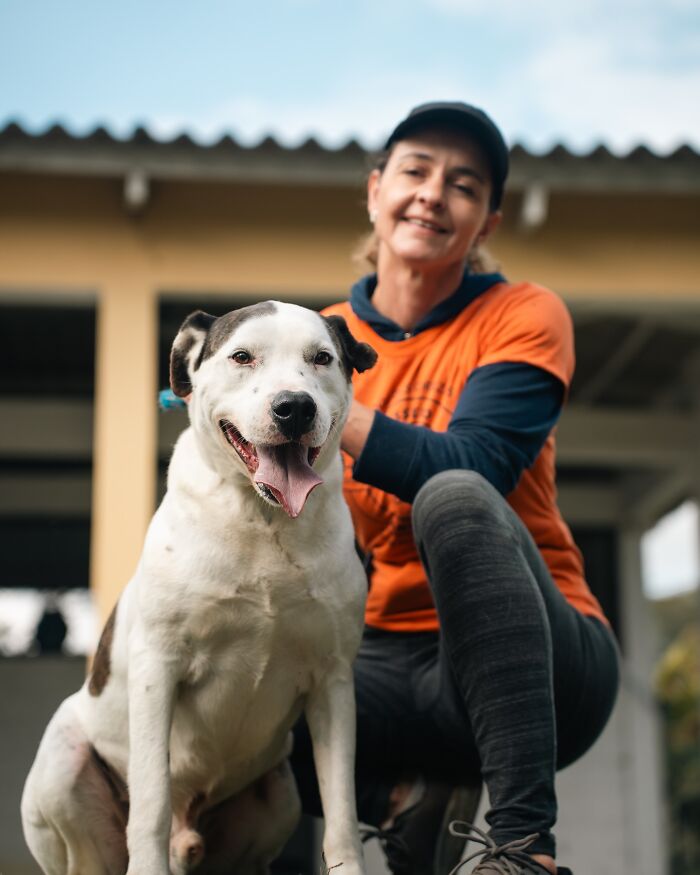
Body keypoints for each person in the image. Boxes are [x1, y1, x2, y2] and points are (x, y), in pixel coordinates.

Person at [291, 102, 619, 875]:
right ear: (376, 192)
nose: (434, 194)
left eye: (463, 184)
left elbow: (476, 460)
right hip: (384, 666)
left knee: (457, 495)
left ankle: (520, 843)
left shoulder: (523, 313)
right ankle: (406, 806)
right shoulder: (318, 337)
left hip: (544, 661)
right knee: (239, 679)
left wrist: (328, 410)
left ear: (487, 221)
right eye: (415, 171)